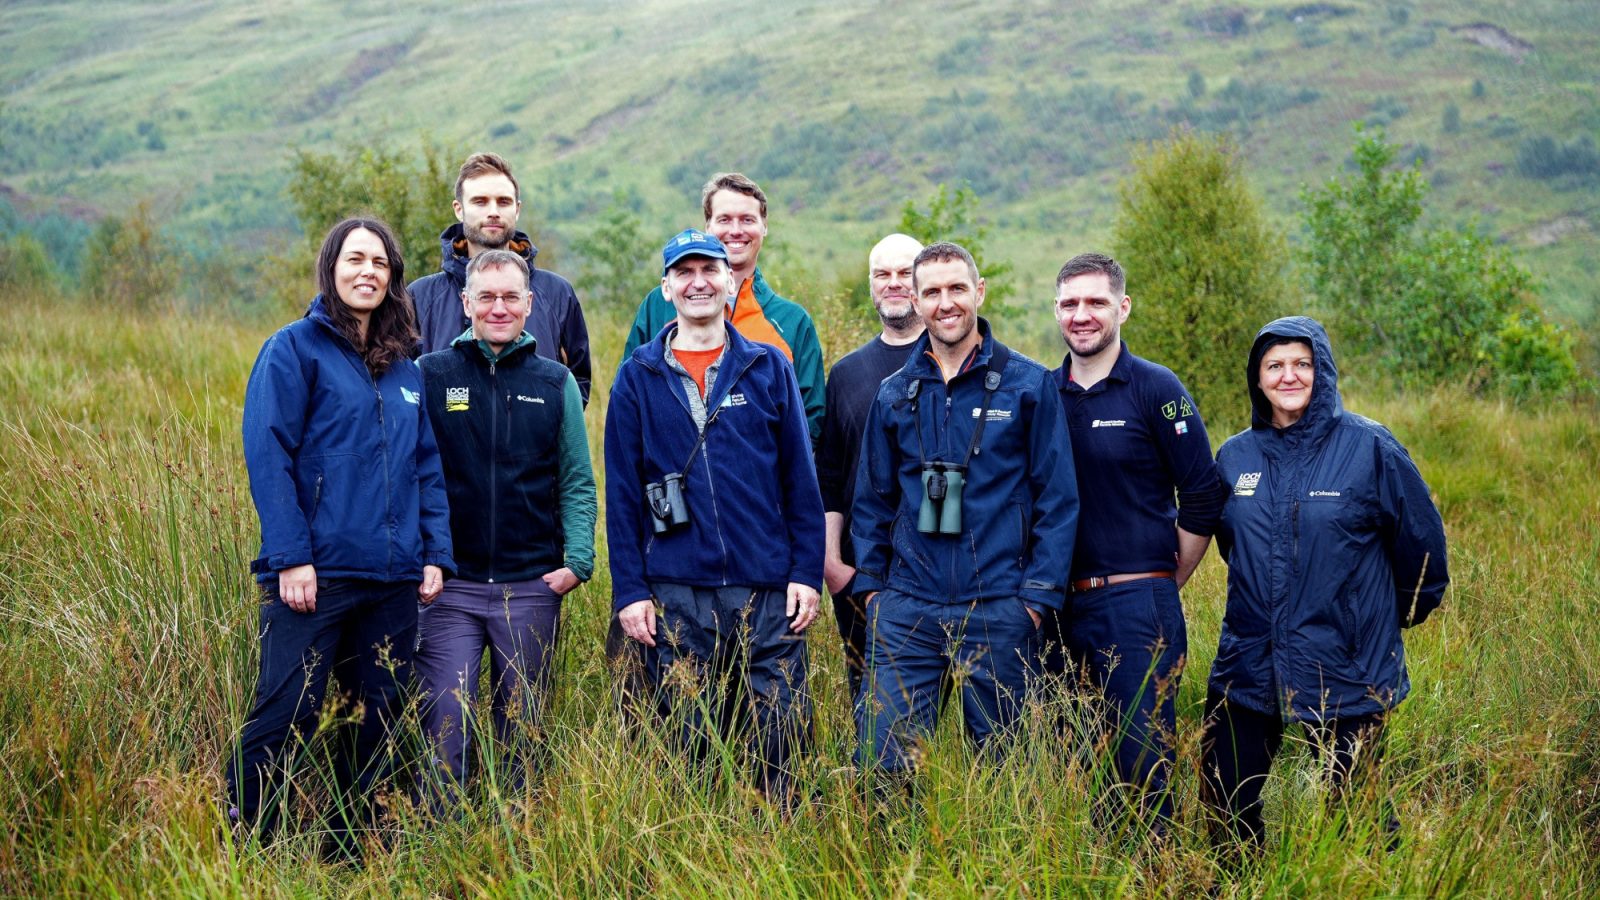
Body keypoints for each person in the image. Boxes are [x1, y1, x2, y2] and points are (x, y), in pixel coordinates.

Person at [231, 217, 454, 858]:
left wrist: (434, 553)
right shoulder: (293, 349)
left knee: (378, 718)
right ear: (331, 267)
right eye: (355, 259)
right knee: (286, 713)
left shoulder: (405, 369)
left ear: (393, 279)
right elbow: (268, 454)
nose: (369, 272)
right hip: (317, 575)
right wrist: (291, 556)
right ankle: (246, 846)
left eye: (381, 263)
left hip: (392, 577)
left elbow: (425, 468)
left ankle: (350, 852)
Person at [1201, 315, 1449, 851]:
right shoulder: (1235, 456)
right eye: (1275, 365)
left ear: (1323, 371)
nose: (1289, 376)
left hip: (1347, 661)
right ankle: (1238, 884)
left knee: (1359, 811)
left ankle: (1374, 885)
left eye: (1302, 364)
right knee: (1223, 798)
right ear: (1257, 377)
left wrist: (1384, 621)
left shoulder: (1370, 447)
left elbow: (1423, 550)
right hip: (1249, 659)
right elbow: (1233, 546)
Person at [605, 229, 825, 810]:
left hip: (766, 586)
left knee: (780, 734)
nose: (698, 282)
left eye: (711, 270)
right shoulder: (637, 376)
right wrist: (630, 590)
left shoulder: (769, 366)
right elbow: (623, 495)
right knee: (690, 739)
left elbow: (800, 481)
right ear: (666, 288)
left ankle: (783, 845)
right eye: (685, 272)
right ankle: (703, 850)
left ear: (732, 281)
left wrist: (805, 571)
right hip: (677, 587)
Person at [851, 241, 1078, 784]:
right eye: (931, 291)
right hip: (908, 609)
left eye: (957, 288)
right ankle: (889, 868)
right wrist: (875, 594)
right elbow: (872, 502)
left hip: (1000, 606)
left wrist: (1034, 601)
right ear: (915, 299)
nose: (945, 302)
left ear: (979, 291)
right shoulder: (894, 393)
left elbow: (1058, 499)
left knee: (1010, 776)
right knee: (884, 770)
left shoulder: (1028, 384)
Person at [1042, 253, 1229, 832]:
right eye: (1070, 304)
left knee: (1143, 771)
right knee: (1075, 768)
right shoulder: (1042, 395)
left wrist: (1164, 582)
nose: (1082, 315)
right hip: (1055, 609)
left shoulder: (1156, 388)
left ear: (1122, 307)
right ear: (1056, 311)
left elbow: (1203, 492)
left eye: (1096, 302)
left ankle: (1156, 878)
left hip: (1138, 607)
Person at [414, 249, 596, 806]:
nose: (498, 308)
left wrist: (577, 563)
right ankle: (439, 841)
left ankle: (517, 834)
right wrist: (427, 559)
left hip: (532, 586)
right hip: (451, 588)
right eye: (486, 297)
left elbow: (577, 481)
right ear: (466, 302)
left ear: (529, 304)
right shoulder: (431, 374)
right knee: (448, 719)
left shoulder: (555, 380)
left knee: (524, 728)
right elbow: (413, 475)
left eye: (510, 297)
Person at [620, 172, 824, 441]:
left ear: (764, 227)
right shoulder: (657, 306)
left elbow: (811, 421)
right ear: (708, 226)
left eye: (747, 220)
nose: (736, 230)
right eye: (724, 219)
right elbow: (626, 401)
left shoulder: (792, 322)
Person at [817, 233, 925, 702]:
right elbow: (830, 478)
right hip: (865, 574)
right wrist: (832, 565)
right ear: (871, 285)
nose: (895, 283)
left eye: (906, 273)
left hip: (950, 574)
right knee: (873, 706)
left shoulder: (958, 362)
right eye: (883, 274)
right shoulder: (846, 373)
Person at [410, 152, 591, 404]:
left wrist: (550, 427)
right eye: (480, 202)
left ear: (517, 210)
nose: (493, 212)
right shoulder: (421, 296)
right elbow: (404, 387)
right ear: (459, 209)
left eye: (503, 202)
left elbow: (578, 379)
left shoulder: (557, 292)